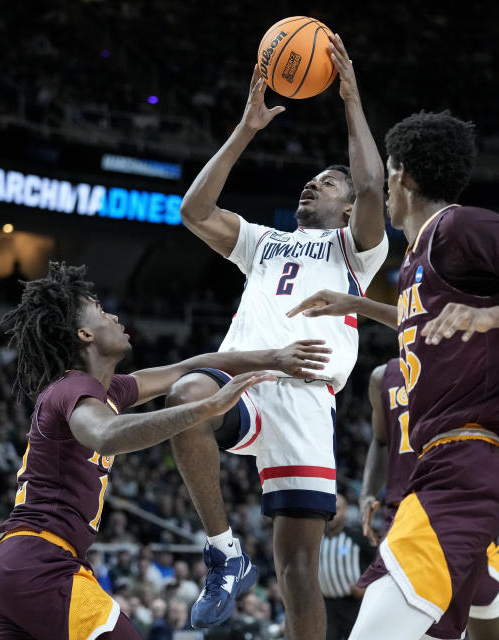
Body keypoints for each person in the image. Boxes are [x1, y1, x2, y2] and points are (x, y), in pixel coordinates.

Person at [288, 111, 499, 639]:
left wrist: (492, 316)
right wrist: (355, 304)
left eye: (387, 173)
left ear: (403, 175)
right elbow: (425, 323)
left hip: (465, 465)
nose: (384, 189)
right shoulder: (417, 258)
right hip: (438, 468)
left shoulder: (461, 226)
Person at [0, 262, 329, 640]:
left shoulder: (108, 391)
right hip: (39, 564)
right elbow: (106, 434)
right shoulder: (70, 389)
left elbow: (189, 367)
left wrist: (274, 358)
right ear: (84, 333)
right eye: (100, 310)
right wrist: (206, 408)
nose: (113, 314)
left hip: (10, 570)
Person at [168, 34, 387, 637]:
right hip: (247, 376)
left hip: (307, 400)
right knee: (187, 398)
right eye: (310, 181)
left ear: (346, 209)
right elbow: (193, 211)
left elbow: (373, 188)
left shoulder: (354, 251)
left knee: (297, 573)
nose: (311, 186)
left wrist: (350, 100)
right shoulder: (264, 242)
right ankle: (224, 551)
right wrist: (246, 128)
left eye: (326, 184)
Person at [358, 361, 499, 640]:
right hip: (405, 513)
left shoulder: (472, 367)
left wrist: (481, 468)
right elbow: (379, 441)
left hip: (459, 509)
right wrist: (366, 493)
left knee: (482, 611)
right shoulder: (382, 377)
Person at [318, 494, 375, 640]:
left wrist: (366, 586)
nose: (331, 514)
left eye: (336, 509)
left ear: (346, 511)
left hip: (354, 605)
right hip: (326, 607)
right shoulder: (315, 538)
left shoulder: (358, 535)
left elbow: (379, 562)